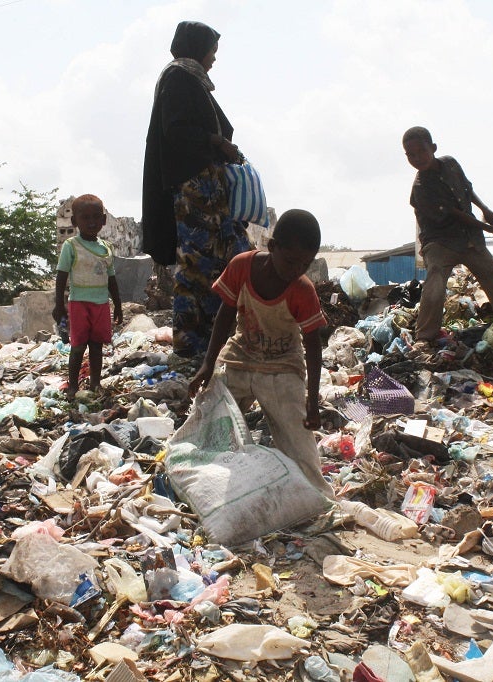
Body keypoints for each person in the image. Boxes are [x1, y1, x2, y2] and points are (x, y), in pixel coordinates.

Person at [188, 209, 334, 499]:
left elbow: (313, 345)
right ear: (272, 247)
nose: (296, 270)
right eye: (291, 261)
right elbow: (225, 314)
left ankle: (315, 496)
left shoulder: (302, 290)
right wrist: (208, 363)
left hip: (282, 365)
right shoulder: (242, 267)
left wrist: (311, 400)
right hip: (241, 357)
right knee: (209, 420)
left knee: (297, 437)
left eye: (304, 264)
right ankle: (197, 478)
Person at [141, 20, 251, 360]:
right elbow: (177, 131)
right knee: (197, 267)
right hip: (195, 191)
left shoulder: (191, 81)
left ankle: (223, 339)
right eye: (211, 52)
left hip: (210, 193)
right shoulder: (178, 78)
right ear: (196, 48)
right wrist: (216, 141)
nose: (213, 59)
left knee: (228, 260)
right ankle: (192, 345)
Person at [402, 126, 493, 348]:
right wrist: (489, 229)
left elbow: (467, 189)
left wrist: (485, 209)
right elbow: (454, 214)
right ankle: (425, 336)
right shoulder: (421, 188)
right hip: (439, 240)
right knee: (435, 280)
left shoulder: (451, 164)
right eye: (411, 155)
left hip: (468, 236)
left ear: (434, 148)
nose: (417, 158)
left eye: (422, 151)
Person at [53, 195, 123, 398]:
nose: (91, 222)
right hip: (79, 304)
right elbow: (61, 277)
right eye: (85, 218)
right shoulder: (71, 246)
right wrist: (59, 305)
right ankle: (73, 386)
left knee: (96, 346)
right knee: (77, 347)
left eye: (95, 217)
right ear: (75, 222)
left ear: (103, 220)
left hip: (101, 304)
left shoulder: (106, 249)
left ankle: (95, 384)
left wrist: (118, 306)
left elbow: (112, 280)